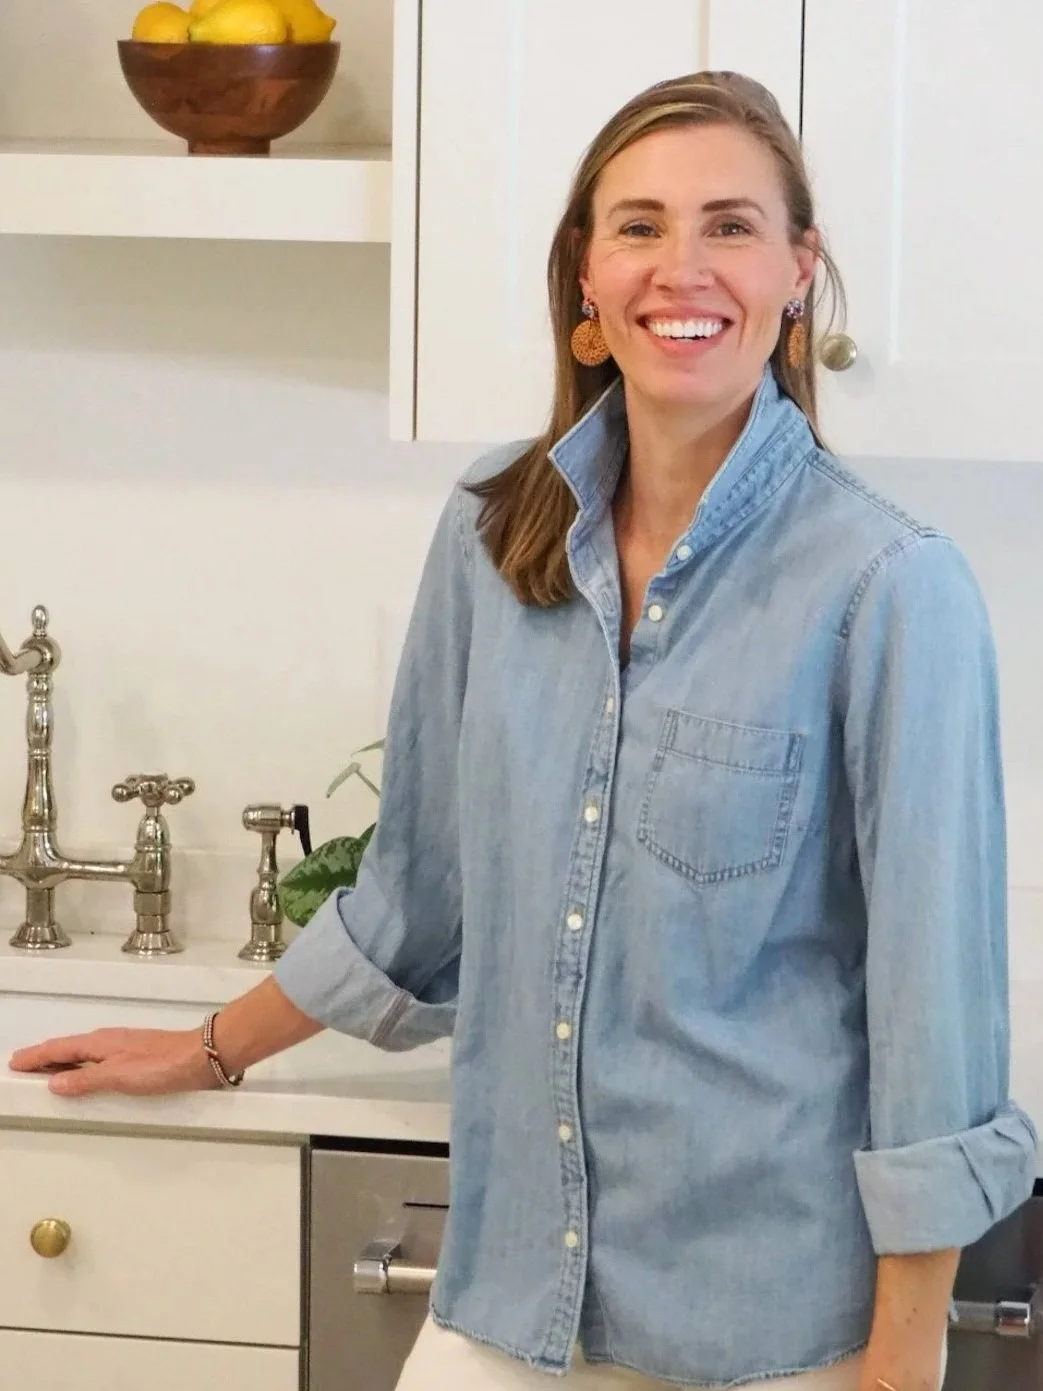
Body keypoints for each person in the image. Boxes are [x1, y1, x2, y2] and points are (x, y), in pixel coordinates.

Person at [10, 71, 1037, 1391]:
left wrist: (898, 1364)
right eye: (639, 226)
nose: (682, 267)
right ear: (586, 282)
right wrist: (206, 1049)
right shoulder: (493, 535)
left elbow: (934, 1015)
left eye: (730, 226)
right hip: (511, 1295)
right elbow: (415, 895)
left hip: (771, 1325)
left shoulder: (889, 585)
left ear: (797, 273)